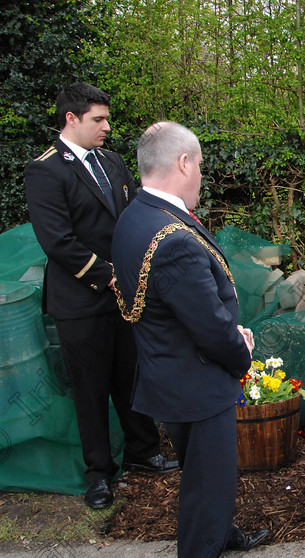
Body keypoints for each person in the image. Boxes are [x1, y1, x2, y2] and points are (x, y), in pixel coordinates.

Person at [111, 121, 269, 557]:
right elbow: (210, 328)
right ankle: (204, 545)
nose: (202, 173)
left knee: (207, 475)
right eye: (199, 164)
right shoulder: (175, 240)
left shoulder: (134, 216)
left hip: (167, 369)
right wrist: (241, 351)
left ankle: (220, 531)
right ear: (183, 162)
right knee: (208, 479)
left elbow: (162, 303)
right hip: (195, 382)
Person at [24, 83, 176, 510]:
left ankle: (143, 452)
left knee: (131, 375)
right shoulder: (46, 170)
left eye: (106, 118)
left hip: (125, 294)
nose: (107, 127)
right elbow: (57, 241)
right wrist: (110, 275)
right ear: (71, 119)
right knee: (89, 389)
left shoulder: (112, 163)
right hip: (81, 299)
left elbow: (132, 218)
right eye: (98, 119)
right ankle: (99, 473)